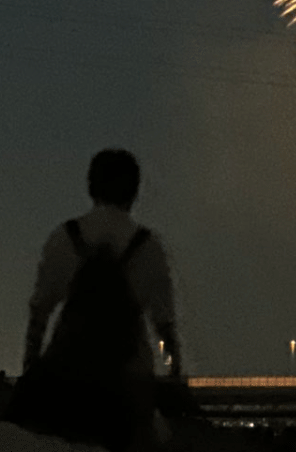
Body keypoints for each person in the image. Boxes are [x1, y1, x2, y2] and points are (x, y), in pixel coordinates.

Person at [15, 148, 182, 450]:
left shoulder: (63, 237)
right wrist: (174, 374)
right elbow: (165, 324)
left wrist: (32, 365)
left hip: (65, 377)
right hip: (128, 381)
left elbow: (39, 311)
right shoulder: (150, 246)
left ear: (90, 186)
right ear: (135, 191)